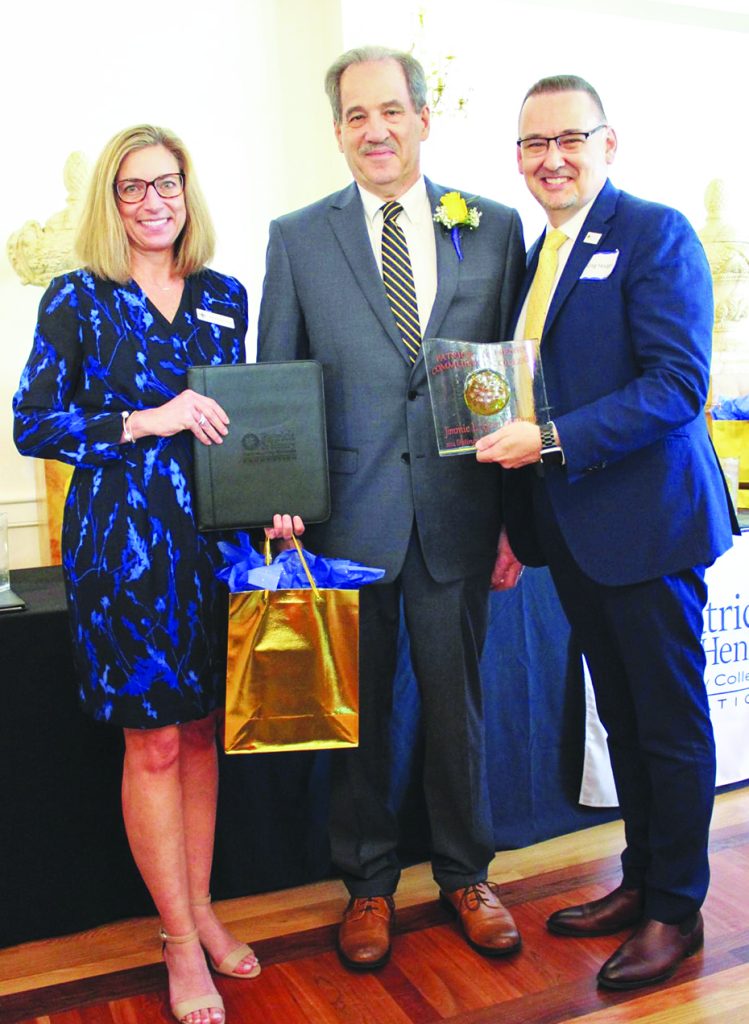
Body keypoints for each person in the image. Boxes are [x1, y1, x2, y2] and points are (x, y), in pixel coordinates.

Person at [13, 124, 303, 1024]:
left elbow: (248, 420)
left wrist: (279, 496)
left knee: (205, 732)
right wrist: (147, 419)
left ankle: (204, 909)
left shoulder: (223, 293)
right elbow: (35, 424)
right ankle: (178, 941)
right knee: (156, 742)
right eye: (132, 187)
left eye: (166, 184)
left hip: (216, 547)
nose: (152, 201)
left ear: (188, 191)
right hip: (124, 554)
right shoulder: (75, 297)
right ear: (111, 200)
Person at [257, 46, 526, 971]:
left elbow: (513, 381)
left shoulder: (490, 228)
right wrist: (285, 508)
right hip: (346, 525)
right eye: (354, 116)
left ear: (421, 118)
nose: (373, 130)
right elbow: (279, 386)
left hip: (459, 518)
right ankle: (367, 887)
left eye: (389, 112)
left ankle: (465, 875)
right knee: (360, 716)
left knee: (459, 712)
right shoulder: (296, 237)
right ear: (336, 130)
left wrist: (512, 523)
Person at [476, 75, 739, 990]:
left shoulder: (654, 233)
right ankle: (640, 879)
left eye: (567, 139)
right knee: (622, 720)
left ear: (607, 143)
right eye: (530, 144)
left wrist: (548, 440)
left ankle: (678, 912)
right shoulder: (535, 255)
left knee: (666, 724)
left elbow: (676, 386)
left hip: (649, 529)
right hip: (573, 533)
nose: (549, 158)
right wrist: (516, 519)